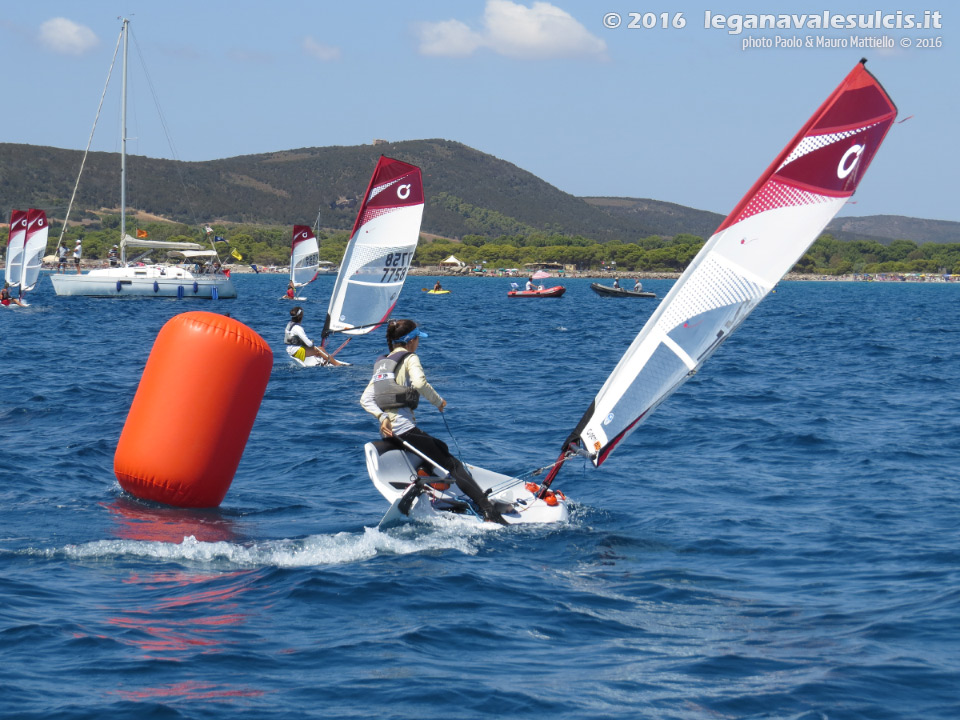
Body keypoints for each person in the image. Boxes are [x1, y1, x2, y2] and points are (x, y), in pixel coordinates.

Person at [360, 319, 507, 525]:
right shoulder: (411, 358)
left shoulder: (382, 364)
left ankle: (427, 478)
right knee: (453, 465)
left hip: (388, 433)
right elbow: (420, 383)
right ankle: (488, 510)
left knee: (440, 447)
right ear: (411, 341)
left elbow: (365, 399)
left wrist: (383, 417)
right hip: (404, 429)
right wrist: (438, 402)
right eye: (418, 339)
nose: (418, 343)